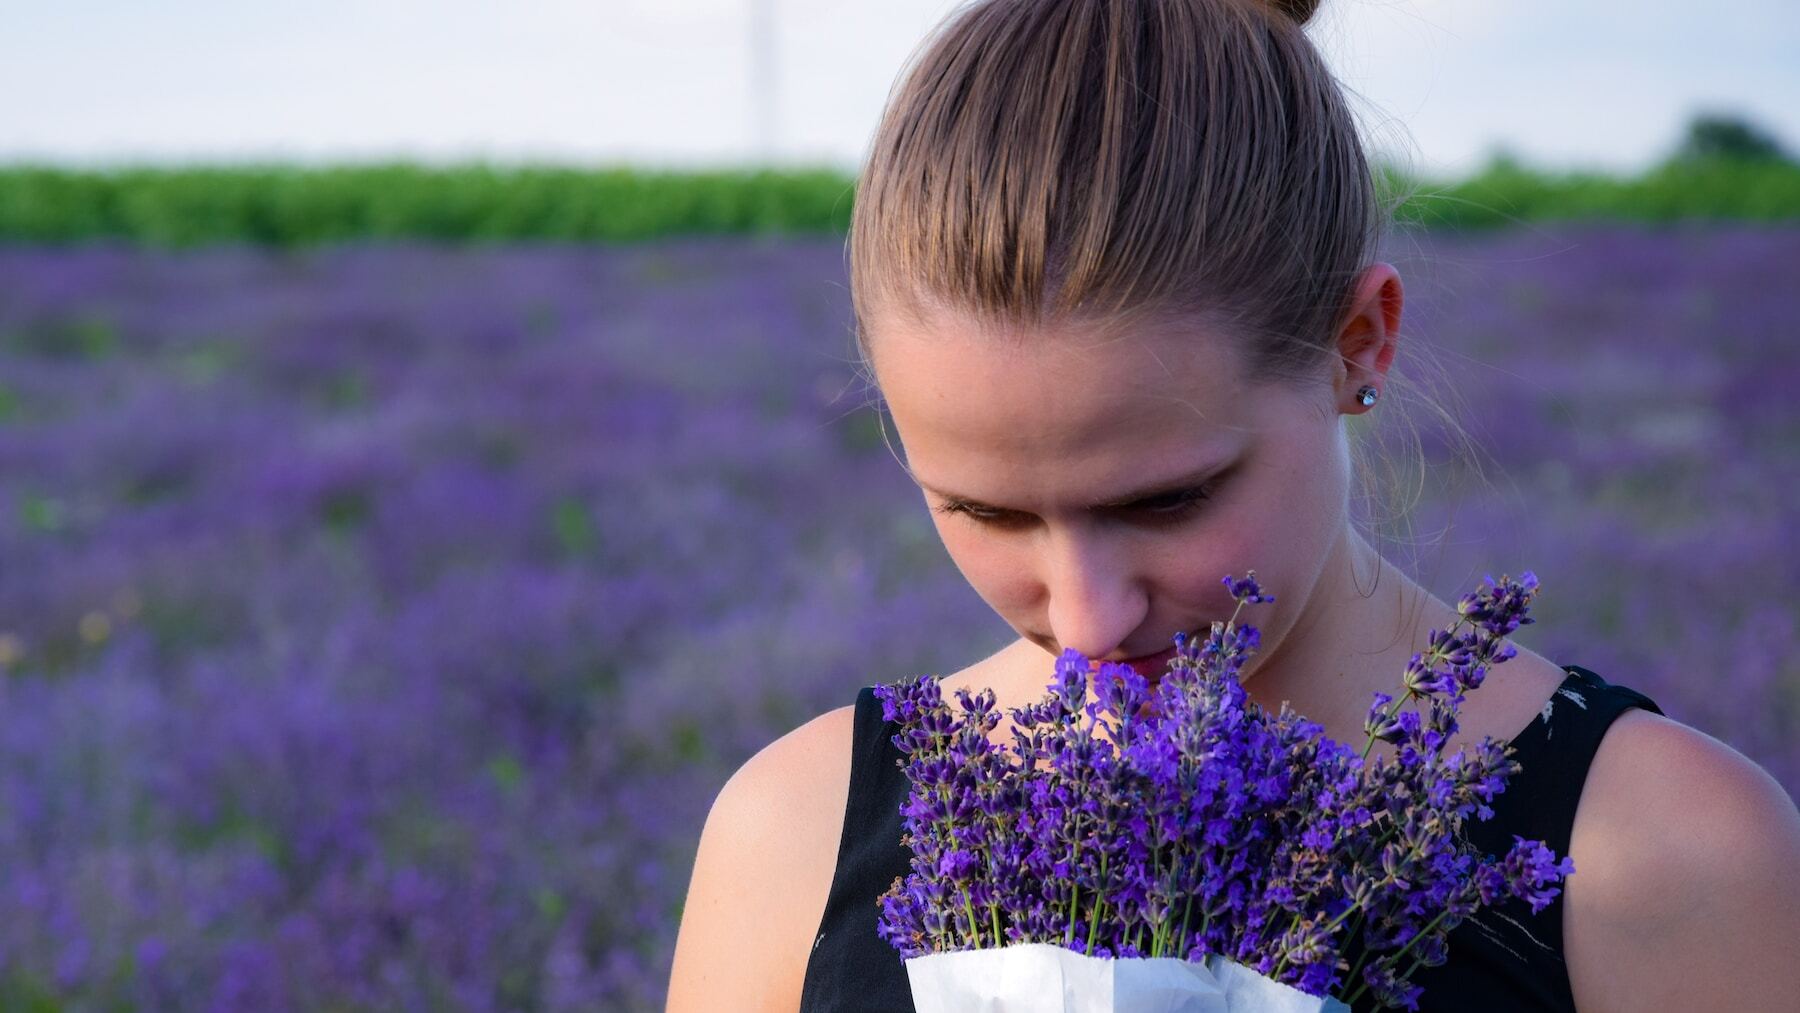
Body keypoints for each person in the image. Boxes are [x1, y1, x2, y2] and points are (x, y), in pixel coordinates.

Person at [665, 0, 1800, 1009]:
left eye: (1167, 499)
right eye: (988, 512)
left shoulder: (1669, 855)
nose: (1090, 618)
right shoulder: (795, 838)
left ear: (1359, 344)